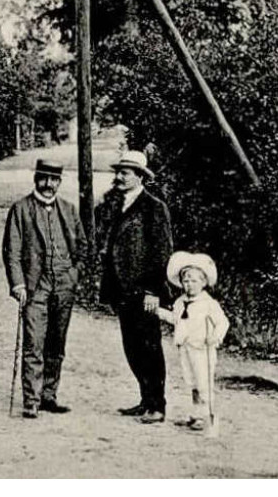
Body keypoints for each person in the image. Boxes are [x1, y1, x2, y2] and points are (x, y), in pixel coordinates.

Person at [1, 158, 85, 419]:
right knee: (34, 341)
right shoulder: (21, 209)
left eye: (54, 179)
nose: (49, 185)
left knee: (56, 343)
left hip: (64, 283)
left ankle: (49, 395)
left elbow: (82, 246)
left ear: (59, 182)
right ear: (36, 179)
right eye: (44, 178)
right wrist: (18, 283)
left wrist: (74, 273)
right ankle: (31, 400)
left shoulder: (69, 210)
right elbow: (11, 251)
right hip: (35, 285)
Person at [99, 149, 172, 422]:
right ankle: (145, 400)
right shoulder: (116, 204)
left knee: (150, 347)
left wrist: (154, 290)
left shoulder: (155, 208)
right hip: (122, 290)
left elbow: (162, 252)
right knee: (132, 347)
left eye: (124, 172)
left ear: (140, 176)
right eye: (118, 172)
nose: (118, 177)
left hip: (145, 292)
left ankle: (157, 405)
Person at [156, 251, 229, 432]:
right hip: (186, 347)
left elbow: (223, 322)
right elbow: (176, 319)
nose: (189, 285)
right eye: (186, 281)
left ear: (203, 283)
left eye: (194, 281)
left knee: (204, 383)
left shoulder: (208, 303)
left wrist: (216, 336)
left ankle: (208, 416)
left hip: (202, 348)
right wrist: (157, 311)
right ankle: (196, 414)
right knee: (192, 383)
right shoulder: (181, 302)